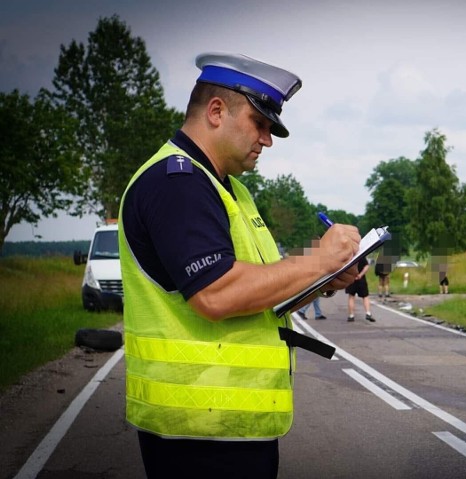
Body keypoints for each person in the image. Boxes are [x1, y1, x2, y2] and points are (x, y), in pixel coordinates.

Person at [117, 52, 360, 479]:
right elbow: (216, 294)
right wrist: (320, 257)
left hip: (227, 427)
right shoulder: (178, 182)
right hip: (197, 433)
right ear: (216, 112)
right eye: (260, 124)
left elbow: (261, 288)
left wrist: (324, 277)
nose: (266, 140)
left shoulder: (228, 190)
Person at [346, 256, 374, 322]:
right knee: (365, 296)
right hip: (361, 279)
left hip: (351, 278)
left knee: (351, 296)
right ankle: (368, 313)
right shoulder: (361, 255)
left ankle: (351, 315)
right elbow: (366, 266)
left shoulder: (349, 256)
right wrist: (360, 275)